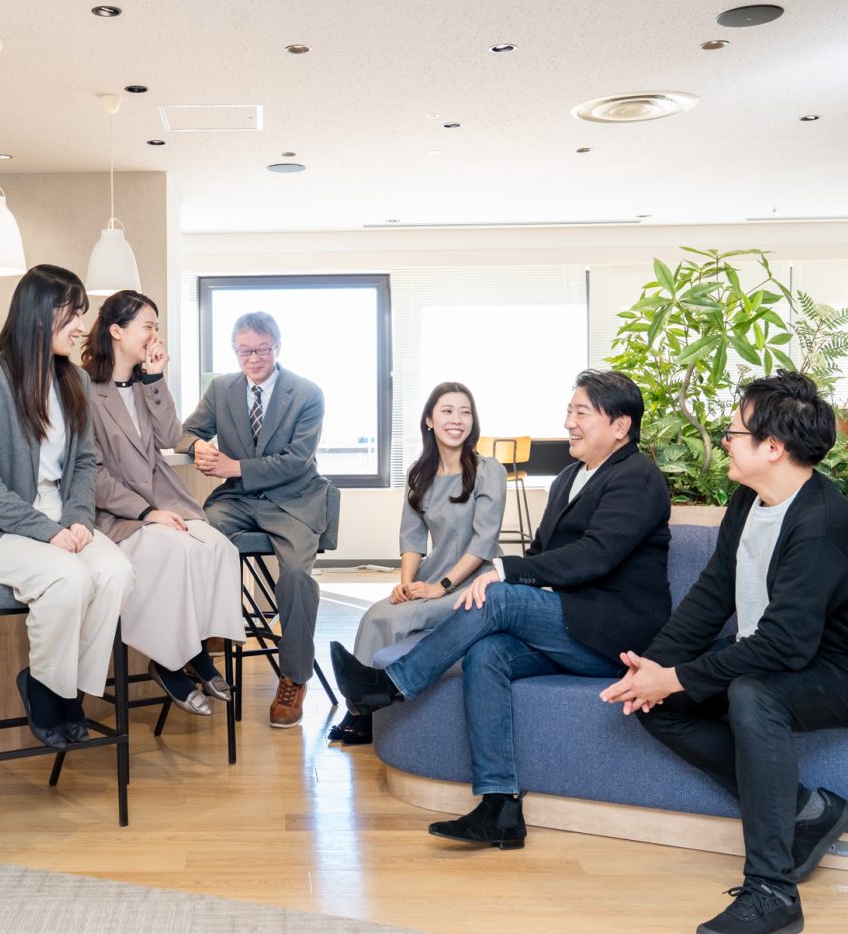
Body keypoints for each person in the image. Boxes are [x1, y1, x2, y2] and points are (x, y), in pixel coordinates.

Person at [600, 371, 848, 934]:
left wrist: (677, 676)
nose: (724, 441)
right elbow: (713, 593)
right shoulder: (749, 499)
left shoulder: (821, 524)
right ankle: (807, 813)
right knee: (657, 704)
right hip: (785, 651)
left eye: (734, 433)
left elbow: (784, 646)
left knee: (752, 694)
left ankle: (773, 891)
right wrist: (654, 671)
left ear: (773, 447)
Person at [331, 369, 671, 845]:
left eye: (581, 413)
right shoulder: (569, 478)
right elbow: (543, 552)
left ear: (620, 425)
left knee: (498, 594)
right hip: (570, 626)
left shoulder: (638, 477)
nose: (568, 423)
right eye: (569, 411)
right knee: (486, 652)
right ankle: (500, 806)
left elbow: (596, 556)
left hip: (614, 636)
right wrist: (519, 580)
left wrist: (505, 572)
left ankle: (390, 684)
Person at [0, 265, 134, 748]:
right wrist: (46, 531)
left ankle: (63, 688)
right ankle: (49, 691)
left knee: (116, 572)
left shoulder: (75, 381)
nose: (82, 327)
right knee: (68, 578)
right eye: (74, 315)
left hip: (62, 517)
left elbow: (84, 462)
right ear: (40, 314)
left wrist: (78, 519)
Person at [80, 291, 244, 715]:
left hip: (165, 502)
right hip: (120, 514)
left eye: (157, 326)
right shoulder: (84, 389)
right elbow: (91, 472)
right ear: (117, 332)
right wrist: (147, 513)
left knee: (219, 548)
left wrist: (155, 378)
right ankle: (170, 663)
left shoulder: (145, 382)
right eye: (148, 326)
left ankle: (197, 650)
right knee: (175, 552)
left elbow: (172, 435)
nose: (155, 335)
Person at [328, 381, 506, 745]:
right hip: (433, 575)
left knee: (395, 619)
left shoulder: (489, 470)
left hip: (476, 582)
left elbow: (483, 542)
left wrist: (439, 588)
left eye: (465, 412)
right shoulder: (418, 473)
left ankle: (361, 715)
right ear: (429, 420)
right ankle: (360, 705)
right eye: (447, 411)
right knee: (377, 613)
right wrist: (407, 584)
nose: (457, 420)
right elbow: (412, 538)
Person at [177, 311, 327, 729]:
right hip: (237, 500)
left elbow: (297, 461)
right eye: (245, 351)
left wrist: (235, 467)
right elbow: (186, 432)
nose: (254, 358)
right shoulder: (221, 388)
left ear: (277, 347)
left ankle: (294, 677)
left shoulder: (307, 393)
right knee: (191, 542)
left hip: (294, 500)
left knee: (295, 576)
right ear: (235, 350)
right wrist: (197, 447)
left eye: (262, 349)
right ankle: (193, 653)